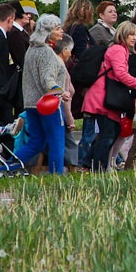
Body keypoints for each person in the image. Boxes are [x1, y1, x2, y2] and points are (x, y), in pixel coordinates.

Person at [11, 14, 71, 175]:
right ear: (48, 31)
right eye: (57, 28)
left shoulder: (32, 49)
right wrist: (61, 92)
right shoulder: (47, 52)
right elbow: (47, 81)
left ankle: (5, 168)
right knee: (57, 143)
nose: (61, 31)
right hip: (48, 105)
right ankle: (56, 177)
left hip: (31, 104)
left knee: (35, 143)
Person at [83, 22, 136, 171]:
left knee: (112, 131)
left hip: (104, 95)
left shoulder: (119, 49)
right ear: (123, 35)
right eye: (131, 34)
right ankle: (97, 167)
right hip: (103, 96)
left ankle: (88, 162)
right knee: (108, 133)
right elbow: (120, 73)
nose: (135, 38)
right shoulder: (118, 50)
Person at [52, 34, 80, 170]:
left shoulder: (54, 64)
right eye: (70, 50)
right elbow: (65, 96)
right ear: (64, 50)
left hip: (53, 109)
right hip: (59, 110)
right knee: (69, 144)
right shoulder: (61, 68)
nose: (71, 53)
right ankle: (71, 169)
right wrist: (70, 119)